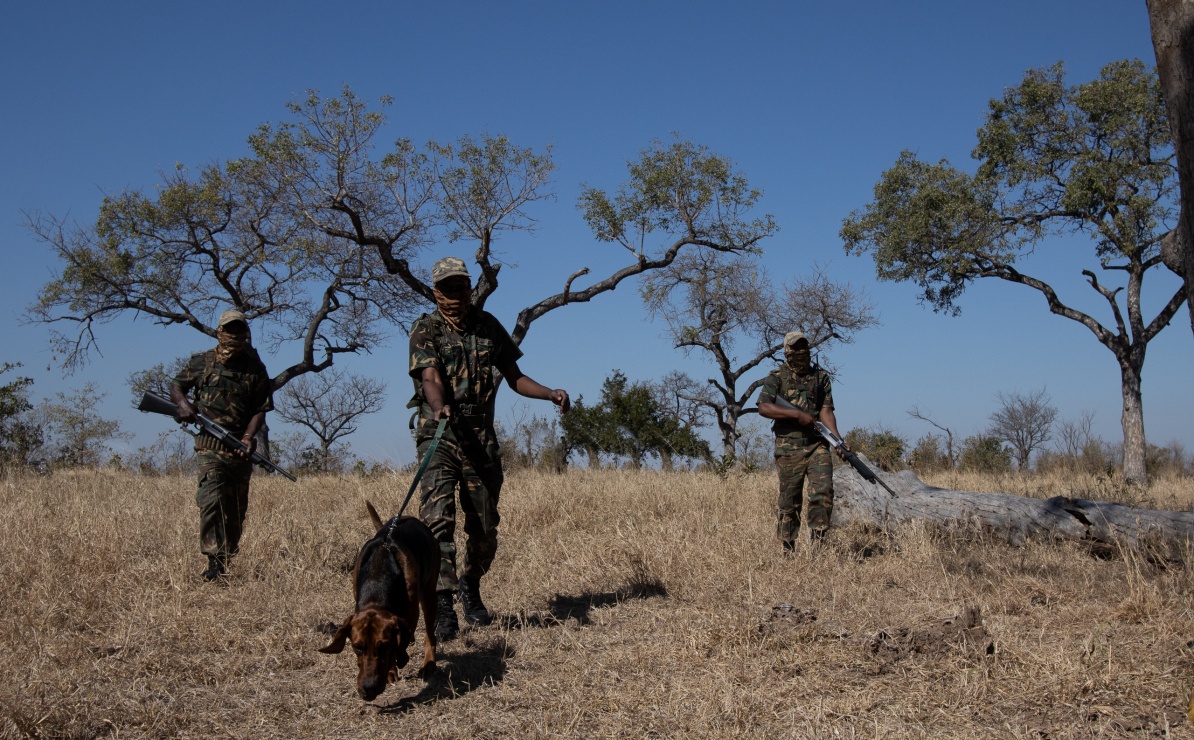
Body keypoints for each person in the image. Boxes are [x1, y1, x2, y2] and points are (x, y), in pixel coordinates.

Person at [408, 257, 570, 640]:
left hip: (480, 439)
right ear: (436, 292)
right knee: (437, 522)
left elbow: (513, 376)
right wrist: (438, 406)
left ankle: (470, 584)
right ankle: (443, 604)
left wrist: (550, 393)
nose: (456, 294)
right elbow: (429, 375)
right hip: (440, 434)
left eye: (461, 286)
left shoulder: (488, 326)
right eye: (447, 288)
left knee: (484, 527)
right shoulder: (424, 328)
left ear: (469, 287)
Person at [170, 309, 274, 581]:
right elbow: (176, 385)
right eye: (229, 329)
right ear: (219, 331)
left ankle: (226, 558)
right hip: (209, 446)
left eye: (239, 330)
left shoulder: (254, 367)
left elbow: (261, 408)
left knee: (236, 509)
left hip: (240, 447)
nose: (234, 335)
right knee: (211, 500)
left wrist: (249, 438)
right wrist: (184, 405)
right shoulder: (202, 361)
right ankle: (213, 562)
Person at [756, 331, 847, 552]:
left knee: (823, 493)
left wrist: (837, 440)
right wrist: (796, 415)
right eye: (796, 348)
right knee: (790, 500)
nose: (801, 352)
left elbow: (826, 411)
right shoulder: (776, 377)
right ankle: (788, 548)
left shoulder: (820, 378)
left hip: (817, 445)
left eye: (804, 346)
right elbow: (763, 407)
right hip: (788, 447)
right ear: (787, 351)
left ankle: (818, 547)